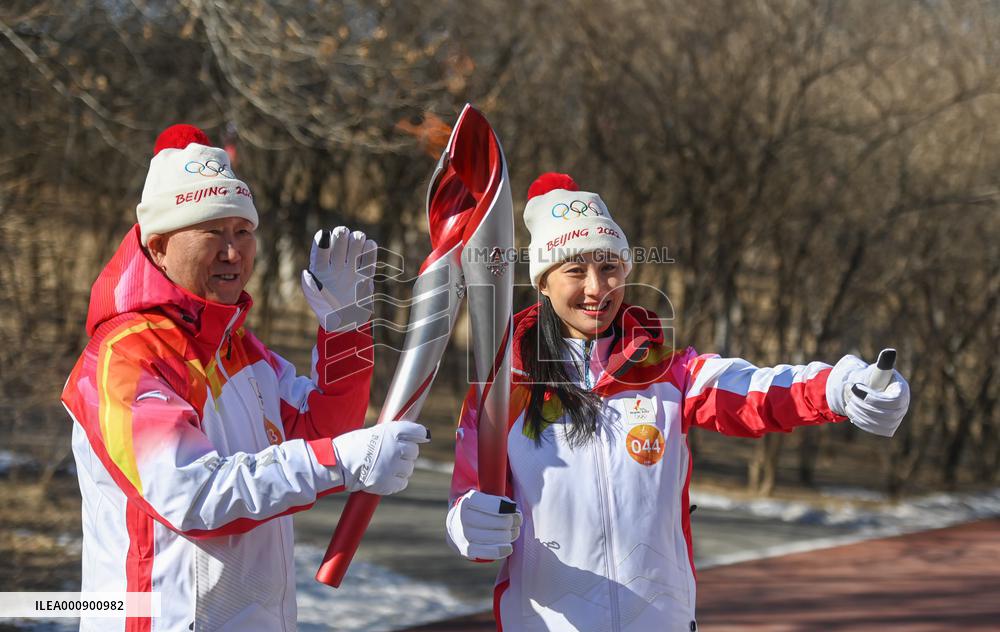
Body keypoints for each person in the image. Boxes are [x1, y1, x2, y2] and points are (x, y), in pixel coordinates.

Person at [446, 173, 910, 631]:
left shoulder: (670, 374)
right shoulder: (502, 391)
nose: (596, 288)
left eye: (609, 267)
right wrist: (468, 523)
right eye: (575, 270)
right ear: (544, 284)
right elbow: (469, 497)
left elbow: (756, 389)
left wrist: (839, 387)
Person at [61, 124, 429, 632]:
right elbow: (194, 496)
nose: (233, 252)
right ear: (160, 245)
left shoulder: (240, 350)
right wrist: (342, 462)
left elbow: (323, 429)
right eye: (212, 233)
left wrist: (344, 330)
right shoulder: (125, 358)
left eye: (243, 232)